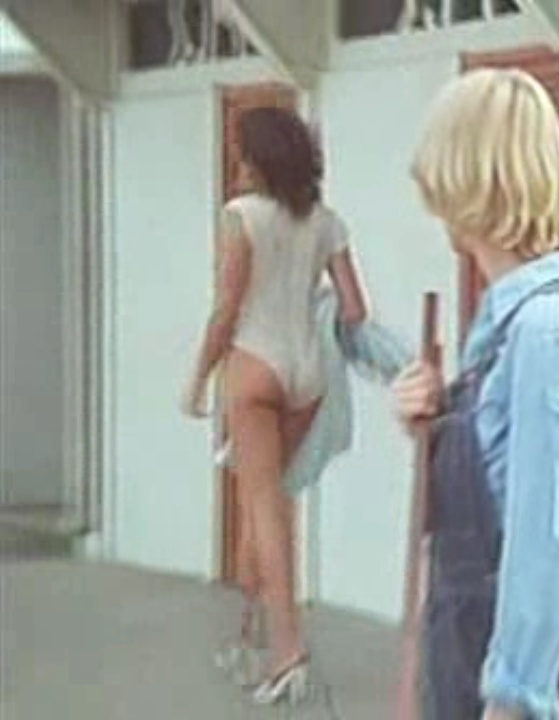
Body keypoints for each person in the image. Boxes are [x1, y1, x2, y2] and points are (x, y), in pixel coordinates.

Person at [391, 67, 559, 720]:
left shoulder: (550, 334)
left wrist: (512, 701)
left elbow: (548, 543)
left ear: (464, 178)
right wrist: (434, 423)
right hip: (466, 667)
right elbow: (489, 493)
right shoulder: (507, 327)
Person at [180, 105, 369, 705]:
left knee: (263, 511)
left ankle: (288, 653)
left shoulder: (241, 216)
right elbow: (354, 309)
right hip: (306, 376)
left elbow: (226, 308)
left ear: (258, 161)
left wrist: (198, 378)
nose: (237, 163)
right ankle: (251, 634)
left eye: (242, 153)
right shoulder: (327, 223)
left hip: (253, 367)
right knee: (269, 507)